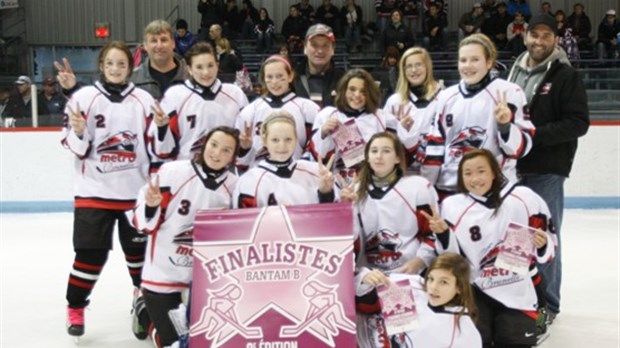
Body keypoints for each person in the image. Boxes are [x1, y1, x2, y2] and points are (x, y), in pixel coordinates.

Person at [60, 41, 156, 341]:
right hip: (94, 193)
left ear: (131, 68)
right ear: (101, 65)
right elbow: (76, 149)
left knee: (140, 259)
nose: (116, 68)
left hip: (133, 196)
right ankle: (75, 306)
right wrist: (78, 131)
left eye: (122, 64)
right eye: (110, 63)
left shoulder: (144, 100)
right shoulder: (84, 97)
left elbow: (155, 147)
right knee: (90, 255)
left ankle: (142, 301)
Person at [507, 13, 589, 327]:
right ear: (525, 36)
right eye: (534, 35)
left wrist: (534, 136)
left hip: (546, 168)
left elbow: (578, 123)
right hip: (513, 169)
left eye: (546, 36)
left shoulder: (566, 75)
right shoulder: (513, 71)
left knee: (544, 238)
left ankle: (548, 307)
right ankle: (520, 300)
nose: (539, 41)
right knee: (516, 238)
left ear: (555, 39)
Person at [429, 149, 556, 348]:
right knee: (477, 340)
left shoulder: (526, 199)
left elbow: (549, 249)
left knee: (525, 337)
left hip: (522, 289)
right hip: (477, 290)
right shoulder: (452, 205)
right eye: (468, 173)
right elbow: (451, 257)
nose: (475, 179)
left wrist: (543, 244)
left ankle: (541, 322)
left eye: (481, 171)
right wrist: (443, 234)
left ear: (495, 172)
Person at [131, 126, 240, 348]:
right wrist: (152, 207)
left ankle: (149, 315)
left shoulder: (234, 186)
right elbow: (143, 224)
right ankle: (144, 311)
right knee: (178, 345)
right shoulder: (173, 172)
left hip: (205, 281)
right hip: (163, 274)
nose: (217, 153)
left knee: (206, 341)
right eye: (214, 145)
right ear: (204, 144)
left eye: (226, 150)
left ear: (233, 157)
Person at [352, 132, 440, 347]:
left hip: (405, 276)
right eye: (374, 151)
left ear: (399, 158)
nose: (379, 156)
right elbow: (347, 245)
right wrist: (362, 275)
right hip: (367, 279)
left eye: (386, 151)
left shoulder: (418, 187)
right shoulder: (354, 191)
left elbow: (432, 233)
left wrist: (420, 261)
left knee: (402, 338)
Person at [420, 33, 534, 198]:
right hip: (450, 189)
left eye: (475, 59)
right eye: (463, 60)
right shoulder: (445, 97)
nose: (468, 66)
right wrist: (428, 189)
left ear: (489, 62)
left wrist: (505, 127)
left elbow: (523, 148)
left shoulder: (510, 93)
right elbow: (434, 147)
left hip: (495, 191)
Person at [310, 68, 415, 183]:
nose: (357, 95)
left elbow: (402, 157)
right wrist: (323, 133)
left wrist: (404, 130)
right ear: (343, 90)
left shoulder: (383, 118)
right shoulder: (327, 115)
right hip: (338, 184)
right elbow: (316, 160)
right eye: (352, 89)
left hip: (375, 184)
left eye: (363, 91)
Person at [358, 252, 482, 347]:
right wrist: (366, 280)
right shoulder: (413, 286)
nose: (433, 288)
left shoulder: (465, 332)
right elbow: (366, 303)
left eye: (443, 282)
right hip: (352, 335)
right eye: (431, 279)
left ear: (459, 287)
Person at [150, 42, 248, 162]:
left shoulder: (235, 94)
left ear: (217, 65)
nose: (206, 72)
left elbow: (245, 144)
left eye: (210, 65)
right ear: (189, 69)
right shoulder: (175, 95)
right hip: (187, 169)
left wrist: (244, 148)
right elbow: (164, 152)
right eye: (199, 67)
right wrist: (162, 128)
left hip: (225, 169)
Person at [56, 20, 188, 101]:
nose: (159, 45)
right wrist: (72, 89)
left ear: (173, 43)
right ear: (145, 46)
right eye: (153, 40)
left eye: (164, 40)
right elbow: (100, 101)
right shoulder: (131, 78)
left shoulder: (192, 76)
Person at [233, 112, 337, 208]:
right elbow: (245, 225)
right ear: (265, 141)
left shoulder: (317, 172)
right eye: (275, 140)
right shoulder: (249, 181)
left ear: (296, 139)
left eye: (288, 139)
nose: (282, 146)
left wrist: (326, 194)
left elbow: (331, 219)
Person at [235, 55, 320, 170]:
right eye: (269, 77)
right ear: (263, 79)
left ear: (290, 76)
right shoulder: (250, 110)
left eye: (279, 76)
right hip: (260, 176)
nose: (274, 82)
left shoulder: (308, 108)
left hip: (296, 177)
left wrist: (302, 167)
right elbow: (240, 161)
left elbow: (317, 146)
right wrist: (244, 149)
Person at [384, 47, 443, 175]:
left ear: (427, 67)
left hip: (438, 171)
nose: (414, 70)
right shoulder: (395, 101)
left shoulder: (444, 98)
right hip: (404, 172)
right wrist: (399, 130)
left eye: (418, 65)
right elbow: (387, 142)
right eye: (409, 66)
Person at [293, 23, 344, 107]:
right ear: (305, 48)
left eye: (325, 45)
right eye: (314, 45)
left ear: (333, 49)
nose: (320, 51)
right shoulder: (291, 80)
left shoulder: (344, 81)